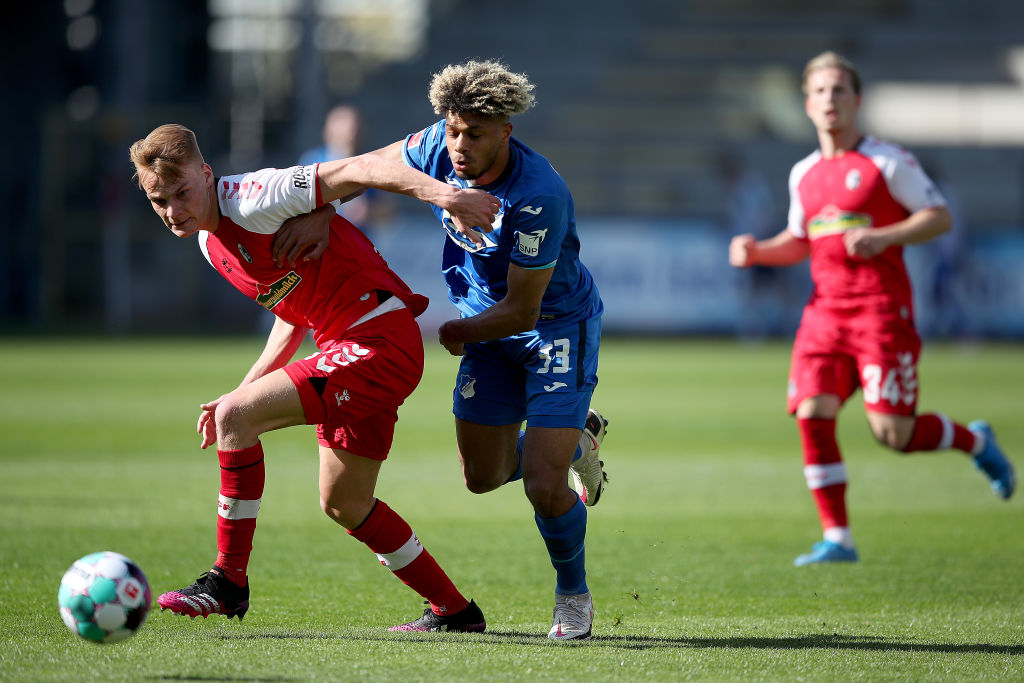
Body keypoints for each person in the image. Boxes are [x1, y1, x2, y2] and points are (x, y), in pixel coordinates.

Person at [281, 60, 610, 640]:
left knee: (541, 482)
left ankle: (572, 596)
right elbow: (364, 166)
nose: (459, 146)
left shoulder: (538, 195)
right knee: (482, 477)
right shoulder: (438, 145)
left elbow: (523, 310)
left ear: (506, 131)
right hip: (486, 326)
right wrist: (324, 211)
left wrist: (456, 334)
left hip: (554, 328)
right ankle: (576, 438)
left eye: (475, 135)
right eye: (454, 131)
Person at [128, 123, 502, 631]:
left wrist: (448, 197)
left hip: (377, 342)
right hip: (352, 349)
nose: (173, 211)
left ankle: (228, 581)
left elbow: (363, 167)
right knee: (345, 503)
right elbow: (293, 313)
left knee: (239, 419)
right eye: (159, 201)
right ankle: (455, 612)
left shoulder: (255, 197)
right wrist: (242, 391)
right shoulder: (210, 244)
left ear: (207, 173)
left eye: (182, 193)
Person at [728, 51, 1015, 567]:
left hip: (880, 314)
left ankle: (975, 441)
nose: (829, 100)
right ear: (807, 104)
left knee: (894, 435)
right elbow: (800, 241)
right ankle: (838, 538)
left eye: (839, 90)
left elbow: (939, 217)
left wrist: (883, 236)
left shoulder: (887, 161)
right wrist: (757, 252)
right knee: (812, 412)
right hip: (824, 315)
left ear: (857, 100)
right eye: (819, 91)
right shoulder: (803, 173)